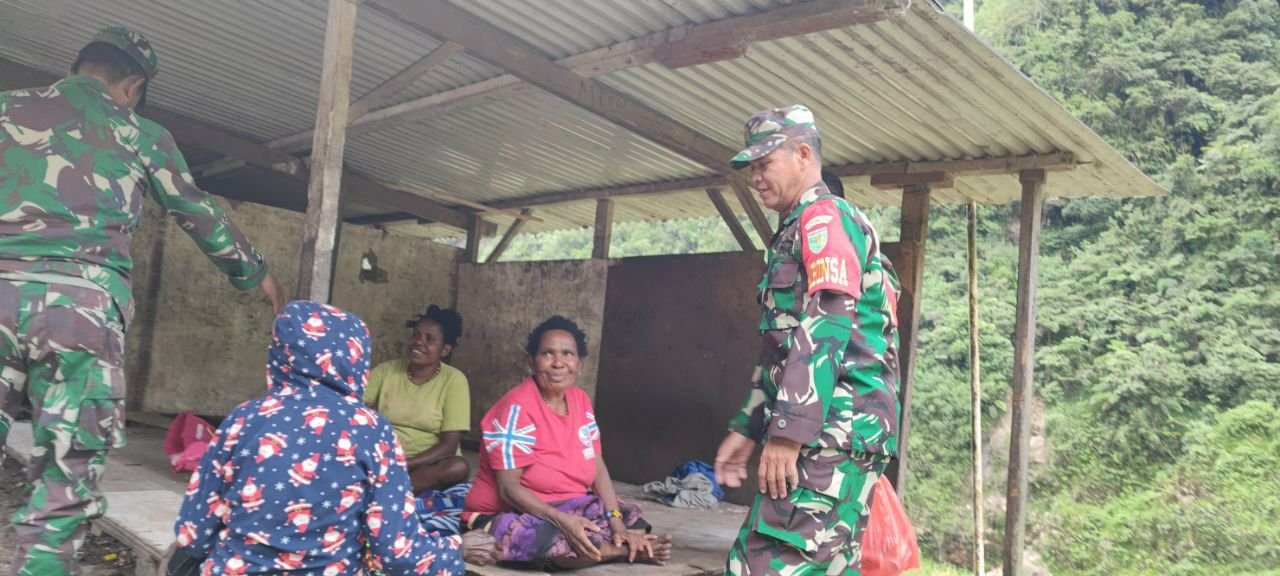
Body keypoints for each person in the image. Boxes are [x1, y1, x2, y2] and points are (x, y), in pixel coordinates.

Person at [0, 26, 285, 576]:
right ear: (133, 85)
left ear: (78, 66)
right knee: (63, 487)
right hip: (80, 314)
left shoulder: (7, 106)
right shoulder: (141, 133)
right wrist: (258, 276)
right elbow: (196, 211)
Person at [173, 301, 497, 575]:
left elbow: (192, 535)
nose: (419, 343)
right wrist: (455, 548)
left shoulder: (243, 419)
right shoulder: (371, 429)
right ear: (354, 355)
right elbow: (397, 553)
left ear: (283, 350)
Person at [715, 105, 901, 576]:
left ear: (803, 154)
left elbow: (826, 324)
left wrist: (787, 433)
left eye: (764, 164)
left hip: (829, 435)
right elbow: (782, 347)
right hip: (833, 434)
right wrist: (749, 425)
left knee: (763, 565)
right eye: (751, 168)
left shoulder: (825, 219)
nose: (756, 178)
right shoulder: (796, 228)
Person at [461, 316, 673, 569]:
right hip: (516, 510)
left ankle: (610, 545)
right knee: (544, 540)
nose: (558, 362)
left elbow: (596, 465)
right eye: (547, 353)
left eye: (568, 354)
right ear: (531, 361)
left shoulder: (580, 400)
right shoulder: (516, 408)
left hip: (571, 503)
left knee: (630, 520)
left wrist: (616, 522)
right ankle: (623, 551)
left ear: (579, 363)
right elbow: (508, 489)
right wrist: (562, 520)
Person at [365, 305, 471, 494]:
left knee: (457, 467)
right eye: (416, 335)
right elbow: (355, 410)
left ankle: (387, 492)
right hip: (383, 455)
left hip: (425, 465)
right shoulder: (385, 371)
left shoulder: (454, 381)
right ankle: (390, 489)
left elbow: (449, 446)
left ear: (445, 350)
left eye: (430, 339)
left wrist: (403, 463)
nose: (418, 342)